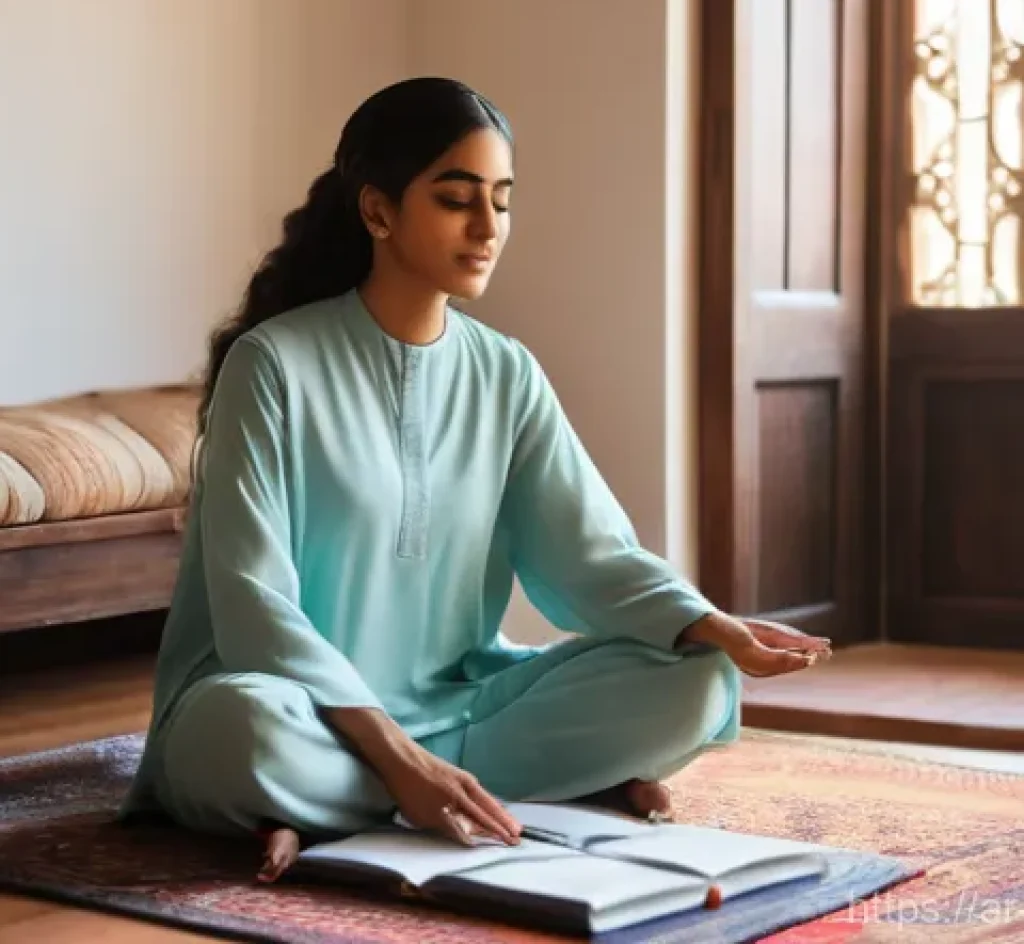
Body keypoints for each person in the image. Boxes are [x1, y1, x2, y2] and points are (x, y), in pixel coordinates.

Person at [119, 76, 831, 882]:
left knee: (697, 681)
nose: (488, 226)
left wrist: (711, 624)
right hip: (300, 712)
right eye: (457, 199)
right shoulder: (273, 365)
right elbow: (254, 611)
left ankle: (341, 811)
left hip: (458, 710)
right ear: (379, 211)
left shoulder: (506, 372)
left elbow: (589, 556)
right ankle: (456, 790)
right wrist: (394, 757)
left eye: (502, 199)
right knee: (240, 732)